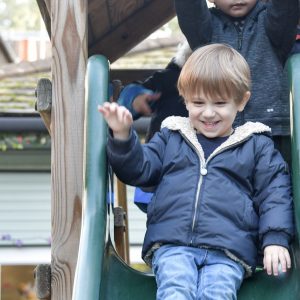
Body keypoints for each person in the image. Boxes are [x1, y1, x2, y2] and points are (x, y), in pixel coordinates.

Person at [99, 44, 294, 299]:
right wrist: (123, 137)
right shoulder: (172, 138)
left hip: (228, 250)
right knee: (176, 288)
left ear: (241, 100)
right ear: (185, 98)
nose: (209, 112)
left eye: (220, 103)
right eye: (198, 102)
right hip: (173, 244)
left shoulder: (256, 145)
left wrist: (275, 239)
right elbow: (140, 170)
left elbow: (275, 193)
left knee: (218, 292)